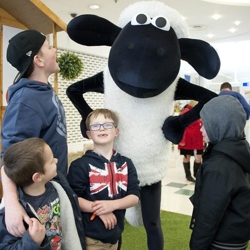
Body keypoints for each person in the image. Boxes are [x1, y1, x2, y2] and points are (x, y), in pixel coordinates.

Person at [0, 29, 68, 238]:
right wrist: (10, 202)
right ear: (38, 59)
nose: (54, 49)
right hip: (35, 202)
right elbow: (8, 156)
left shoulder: (42, 91)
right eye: (48, 47)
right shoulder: (26, 100)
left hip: (52, 189)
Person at [67, 108, 140, 250]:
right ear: (89, 134)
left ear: (116, 131)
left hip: (116, 235)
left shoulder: (126, 163)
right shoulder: (79, 165)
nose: (101, 128)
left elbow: (134, 196)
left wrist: (112, 205)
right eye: (95, 125)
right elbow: (73, 198)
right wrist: (101, 210)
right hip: (90, 237)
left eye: (107, 124)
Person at [0, 138, 86, 250]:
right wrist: (32, 242)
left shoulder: (59, 188)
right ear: (37, 177)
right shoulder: (11, 215)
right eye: (51, 161)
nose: (56, 160)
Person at [189, 95, 250, 250]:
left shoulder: (219, 167)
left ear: (219, 125)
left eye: (204, 124)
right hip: (237, 238)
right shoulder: (240, 152)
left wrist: (196, 246)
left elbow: (208, 217)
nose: (201, 129)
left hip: (221, 242)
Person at [178, 100, 204, 182]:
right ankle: (188, 175)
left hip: (197, 139)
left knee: (198, 157)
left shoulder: (198, 112)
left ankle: (196, 174)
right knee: (187, 157)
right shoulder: (186, 112)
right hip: (188, 140)